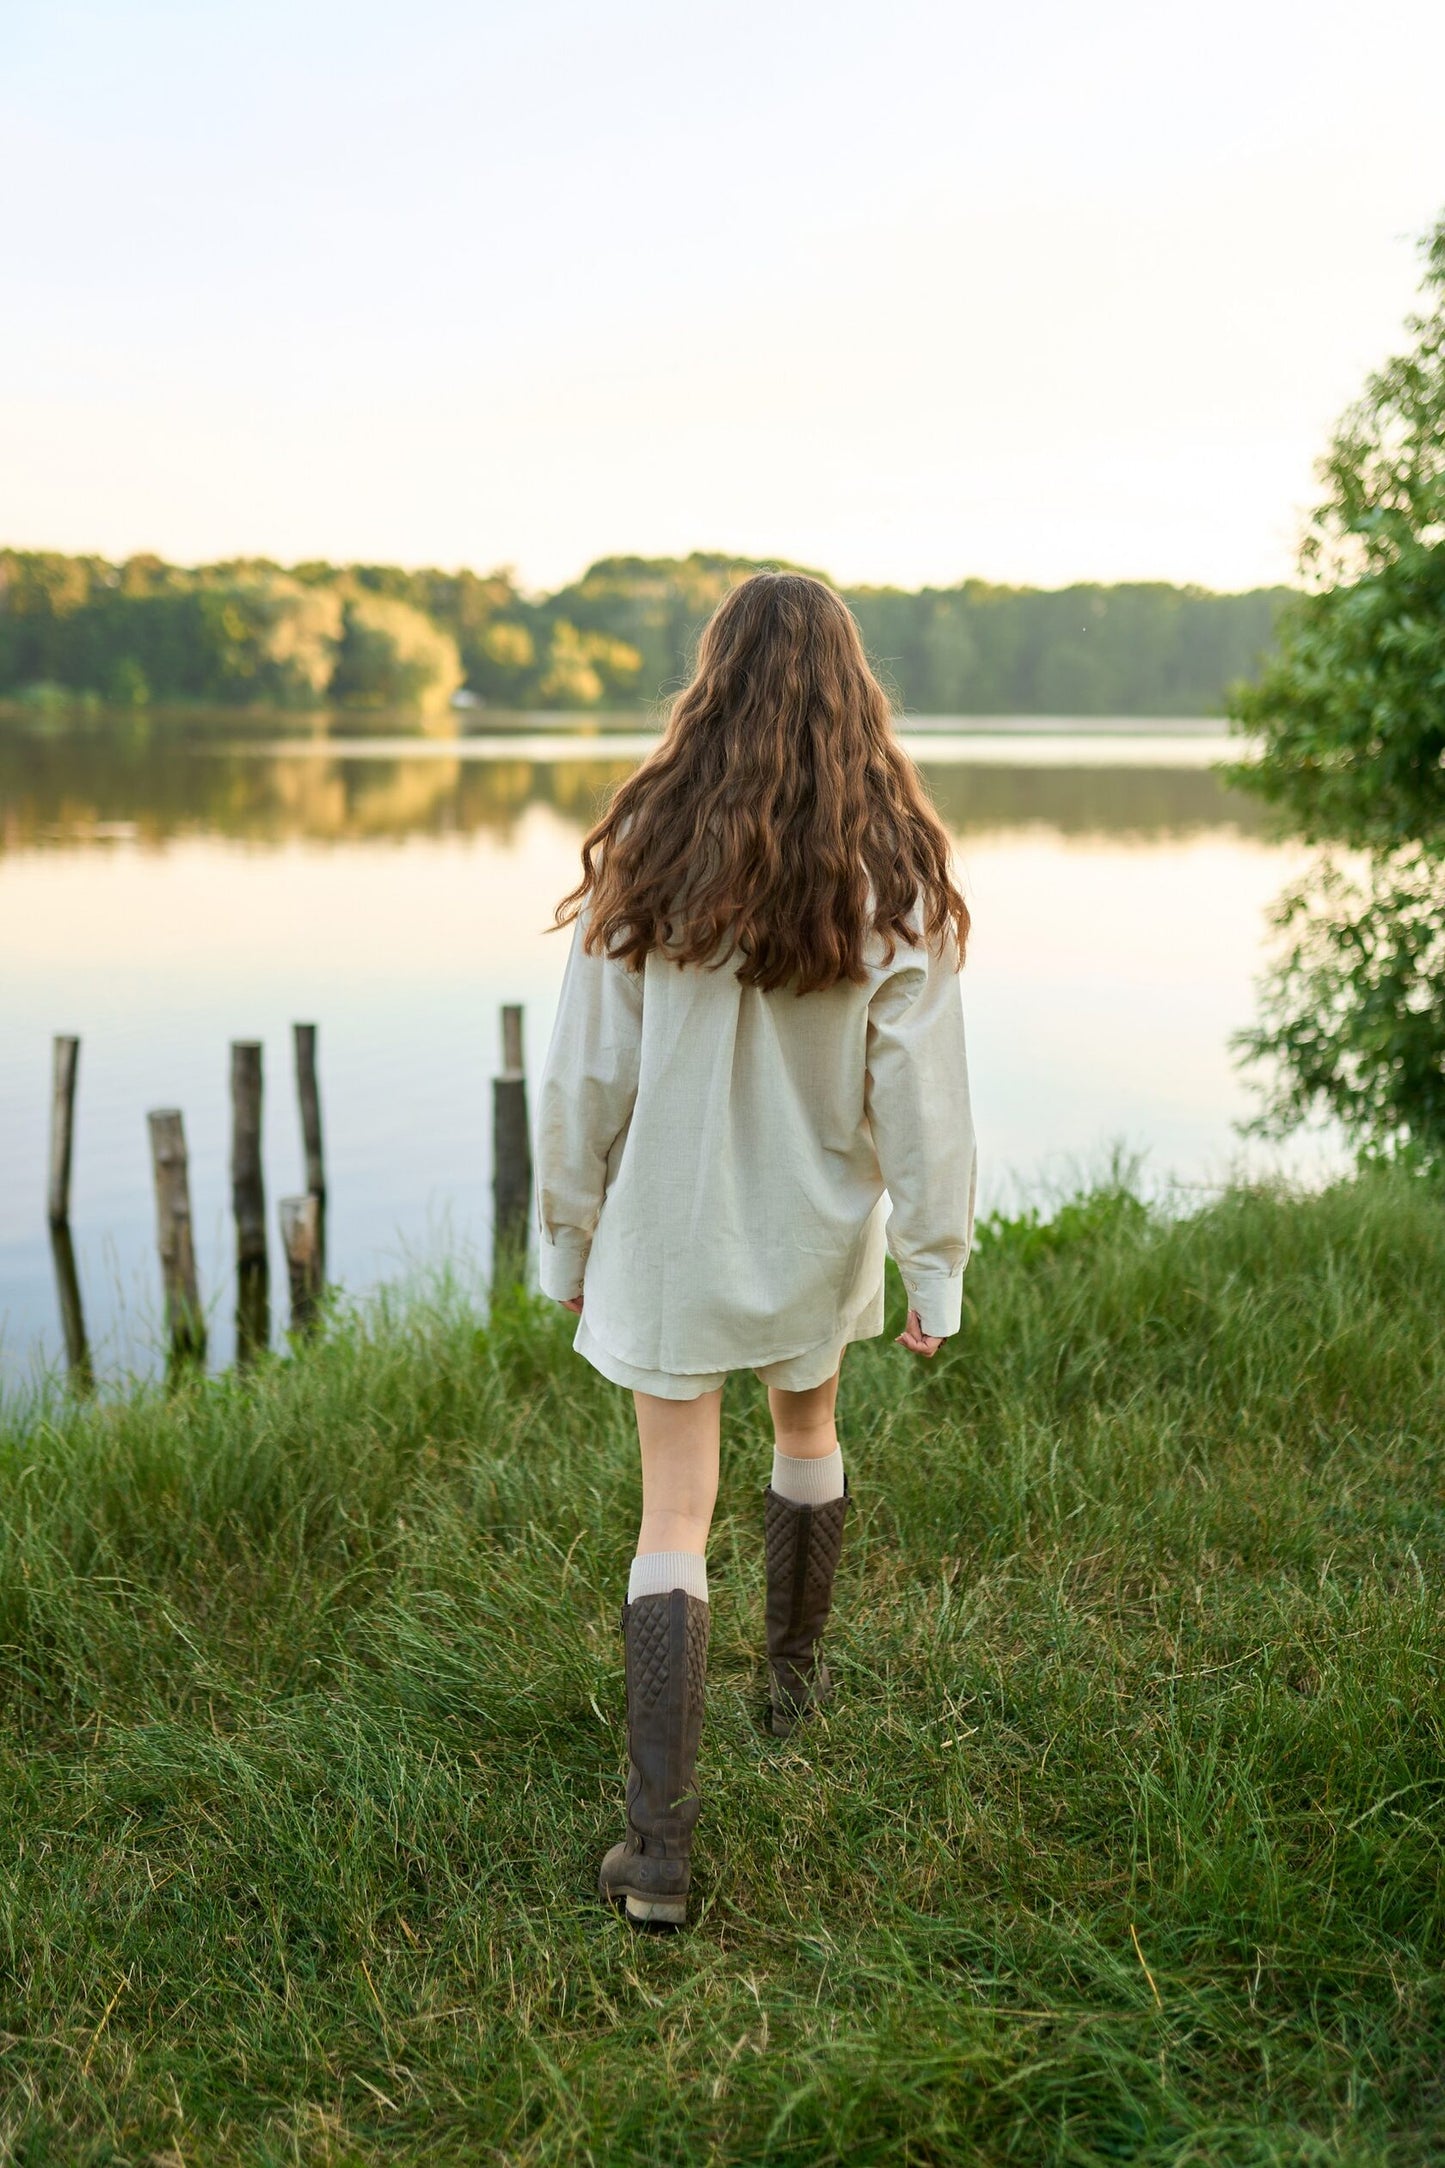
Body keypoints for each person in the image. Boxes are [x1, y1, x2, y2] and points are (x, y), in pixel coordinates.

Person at [535, 570, 977, 1929]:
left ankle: (657, 1852)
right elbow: (923, 1103)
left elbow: (580, 1085)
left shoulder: (645, 858)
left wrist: (562, 1241)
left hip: (666, 1241)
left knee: (674, 1511)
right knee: (805, 1432)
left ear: (707, 684)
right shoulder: (893, 872)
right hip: (808, 1234)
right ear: (856, 691)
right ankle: (789, 1691)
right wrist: (932, 1265)